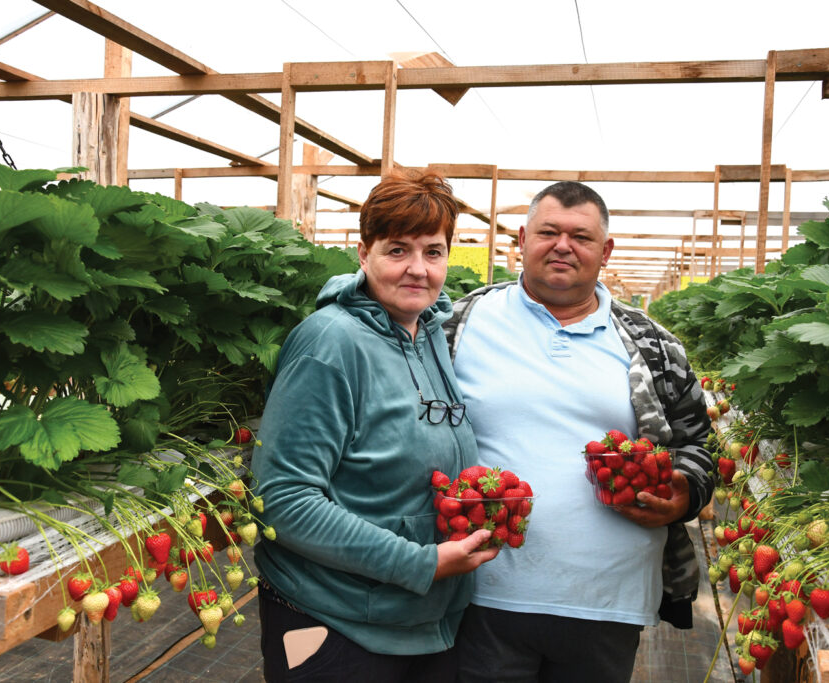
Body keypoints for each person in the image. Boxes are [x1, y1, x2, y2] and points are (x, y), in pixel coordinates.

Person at [444, 181, 714, 682]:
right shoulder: (456, 325)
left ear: (605, 251)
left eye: (581, 237)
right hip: (480, 593)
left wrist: (684, 494)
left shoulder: (653, 346)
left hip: (609, 601)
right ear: (521, 240)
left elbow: (699, 443)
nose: (563, 246)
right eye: (548, 232)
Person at [253, 170, 499, 682]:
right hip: (333, 622)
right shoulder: (330, 343)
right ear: (364, 254)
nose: (418, 269)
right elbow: (284, 498)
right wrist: (420, 563)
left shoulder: (428, 333)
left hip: (420, 620)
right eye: (398, 250)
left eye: (433, 252)